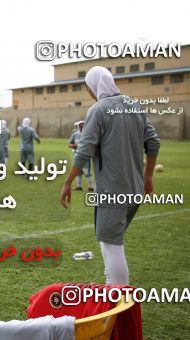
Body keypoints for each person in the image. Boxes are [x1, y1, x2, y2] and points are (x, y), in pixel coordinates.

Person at [60, 66, 160, 285]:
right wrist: (148, 176)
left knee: (111, 246)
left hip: (112, 191)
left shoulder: (99, 109)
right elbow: (153, 142)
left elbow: (84, 151)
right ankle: (114, 296)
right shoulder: (133, 105)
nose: (88, 92)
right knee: (111, 242)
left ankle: (116, 304)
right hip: (134, 189)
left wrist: (68, 182)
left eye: (87, 87)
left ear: (94, 85)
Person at [68, 120, 94, 191]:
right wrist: (73, 146)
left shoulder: (89, 134)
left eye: (83, 126)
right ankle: (79, 186)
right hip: (76, 155)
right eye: (80, 126)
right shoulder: (75, 135)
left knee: (86, 171)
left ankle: (91, 187)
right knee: (77, 171)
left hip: (86, 156)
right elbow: (69, 144)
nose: (82, 127)